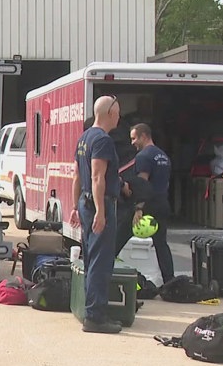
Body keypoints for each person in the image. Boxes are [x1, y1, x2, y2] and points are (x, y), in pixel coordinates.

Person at [69, 96, 123, 334]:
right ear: (109, 113)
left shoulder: (84, 138)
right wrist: (101, 211)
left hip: (85, 202)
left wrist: (74, 206)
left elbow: (76, 176)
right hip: (98, 205)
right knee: (101, 261)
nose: (119, 116)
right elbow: (97, 177)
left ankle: (91, 309)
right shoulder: (102, 139)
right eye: (118, 112)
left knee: (92, 258)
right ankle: (95, 317)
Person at [114, 123, 175, 282]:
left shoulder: (143, 156)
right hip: (162, 204)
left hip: (147, 205)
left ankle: (103, 273)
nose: (132, 142)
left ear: (144, 136)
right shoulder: (163, 156)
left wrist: (138, 208)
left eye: (134, 138)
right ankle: (170, 281)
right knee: (161, 245)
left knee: (118, 238)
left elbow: (142, 184)